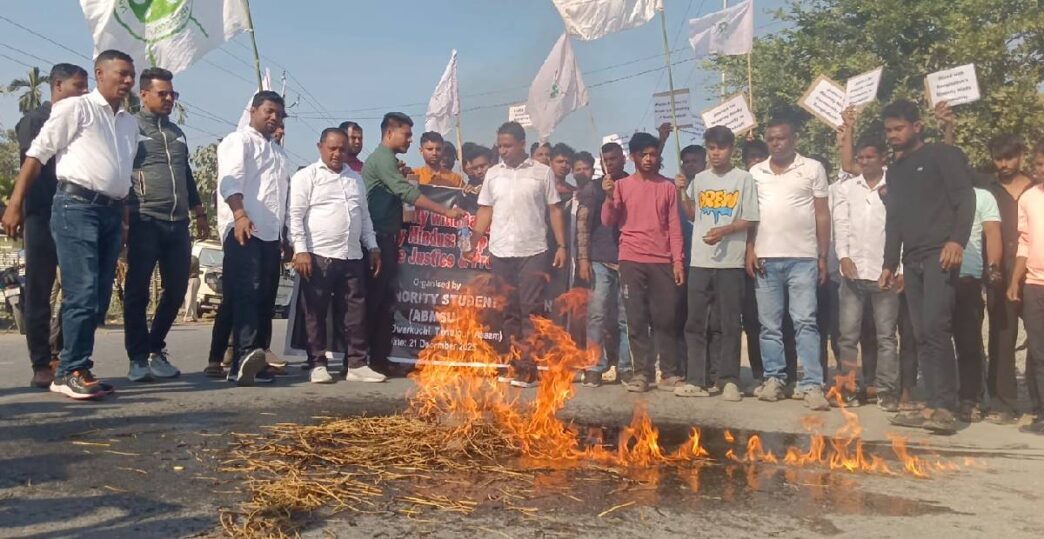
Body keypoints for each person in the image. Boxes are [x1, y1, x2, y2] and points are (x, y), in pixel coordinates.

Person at [2, 50, 137, 399]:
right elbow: (37, 155)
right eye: (121, 74)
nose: (127, 81)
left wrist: (122, 222)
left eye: (130, 76)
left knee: (99, 296)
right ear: (99, 74)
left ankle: (78, 364)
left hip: (110, 212)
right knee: (81, 290)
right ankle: (69, 369)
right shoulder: (75, 108)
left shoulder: (128, 123)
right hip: (76, 206)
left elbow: (121, 175)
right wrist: (15, 204)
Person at [880, 100, 976, 433]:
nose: (892, 135)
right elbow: (894, 219)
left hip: (940, 254)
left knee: (936, 328)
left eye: (899, 128)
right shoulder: (894, 169)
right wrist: (889, 263)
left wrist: (956, 242)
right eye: (889, 130)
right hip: (912, 258)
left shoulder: (941, 155)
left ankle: (945, 407)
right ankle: (932, 403)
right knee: (921, 334)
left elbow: (966, 198)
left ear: (917, 127)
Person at [122, 67, 209, 383]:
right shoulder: (130, 127)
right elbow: (120, 172)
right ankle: (137, 358)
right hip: (145, 219)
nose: (170, 98)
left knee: (175, 289)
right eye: (164, 94)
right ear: (144, 95)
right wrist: (125, 217)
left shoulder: (176, 133)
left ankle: (155, 348)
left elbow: (186, 174)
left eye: (173, 94)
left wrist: (199, 212)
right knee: (137, 291)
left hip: (178, 222)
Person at [363, 113, 465, 375]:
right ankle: (361, 361)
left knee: (386, 302)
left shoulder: (392, 162)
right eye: (406, 135)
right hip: (375, 238)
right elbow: (406, 193)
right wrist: (445, 211)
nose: (409, 139)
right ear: (389, 133)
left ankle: (378, 359)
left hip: (388, 238)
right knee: (373, 302)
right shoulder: (383, 159)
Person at [470, 121, 566, 387]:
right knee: (509, 311)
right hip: (501, 251)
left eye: (508, 146)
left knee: (530, 310)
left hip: (533, 250)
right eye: (500, 145)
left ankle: (528, 369)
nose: (503, 150)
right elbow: (485, 211)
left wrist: (562, 245)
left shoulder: (541, 173)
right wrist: (473, 241)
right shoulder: (492, 174)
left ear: (523, 144)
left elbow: (555, 210)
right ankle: (513, 364)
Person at [747, 118, 832, 410]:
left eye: (782, 138)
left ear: (793, 138)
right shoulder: (755, 172)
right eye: (771, 139)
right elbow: (751, 215)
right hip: (766, 258)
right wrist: (750, 249)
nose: (776, 143)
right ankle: (774, 378)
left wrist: (823, 255)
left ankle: (812, 384)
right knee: (769, 325)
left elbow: (822, 214)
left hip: (803, 259)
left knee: (805, 322)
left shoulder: (812, 168)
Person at [13, 63, 88, 389]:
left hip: (75, 214)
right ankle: (41, 362)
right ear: (57, 85)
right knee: (40, 290)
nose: (84, 93)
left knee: (78, 289)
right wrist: (16, 206)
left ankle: (64, 355)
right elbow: (34, 165)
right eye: (77, 86)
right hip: (42, 214)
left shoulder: (82, 121)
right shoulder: (34, 121)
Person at [289, 128, 384, 384]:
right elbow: (295, 217)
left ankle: (356, 364)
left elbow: (364, 218)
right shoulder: (306, 177)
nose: (337, 153)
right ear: (320, 147)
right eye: (332, 148)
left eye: (342, 149)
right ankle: (317, 364)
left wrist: (373, 247)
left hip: (352, 255)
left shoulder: (355, 179)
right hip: (318, 256)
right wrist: (301, 250)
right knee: (315, 312)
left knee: (356, 312)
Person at [676, 126, 758, 401]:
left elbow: (749, 219)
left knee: (729, 323)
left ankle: (729, 379)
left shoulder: (743, 179)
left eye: (721, 148)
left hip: (731, 262)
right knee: (696, 321)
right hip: (700, 260)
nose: (716, 153)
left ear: (732, 148)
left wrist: (724, 231)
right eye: (711, 148)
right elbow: (692, 214)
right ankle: (697, 380)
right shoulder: (699, 179)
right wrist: (682, 192)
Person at [216, 90, 292, 386]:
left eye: (279, 114)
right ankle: (241, 360)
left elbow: (281, 198)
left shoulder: (278, 152)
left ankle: (256, 360)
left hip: (271, 237)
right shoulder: (239, 141)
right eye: (269, 111)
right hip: (245, 230)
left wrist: (285, 236)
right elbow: (231, 180)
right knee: (247, 295)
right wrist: (239, 215)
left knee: (265, 298)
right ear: (253, 111)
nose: (274, 118)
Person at [602, 132, 685, 393]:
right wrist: (608, 196)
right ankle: (641, 374)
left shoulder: (668, 187)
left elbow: (674, 227)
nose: (649, 159)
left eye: (653, 154)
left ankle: (669, 372)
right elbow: (609, 220)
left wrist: (678, 262)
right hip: (631, 259)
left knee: (665, 318)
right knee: (636, 318)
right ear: (633, 157)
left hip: (662, 260)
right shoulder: (622, 186)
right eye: (643, 155)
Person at [833, 139, 901, 412]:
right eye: (860, 158)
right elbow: (841, 224)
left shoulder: (895, 186)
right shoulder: (847, 188)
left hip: (885, 272)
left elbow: (901, 228)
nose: (864, 162)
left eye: (870, 156)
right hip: (853, 274)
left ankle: (886, 390)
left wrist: (900, 269)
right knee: (847, 336)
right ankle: (848, 387)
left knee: (886, 337)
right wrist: (844, 257)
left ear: (882, 157)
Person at [984, 134, 1036, 424]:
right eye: (999, 158)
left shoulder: (1036, 187)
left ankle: (1037, 401)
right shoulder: (986, 188)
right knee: (1002, 337)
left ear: (1021, 155)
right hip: (998, 274)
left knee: (1038, 338)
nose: (1004, 164)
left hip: (1035, 274)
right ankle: (1003, 402)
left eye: (1010, 157)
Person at [576, 142, 631, 387]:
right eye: (606, 160)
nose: (610, 163)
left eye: (614, 159)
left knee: (626, 318)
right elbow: (583, 225)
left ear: (624, 159)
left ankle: (626, 368)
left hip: (629, 260)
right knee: (596, 315)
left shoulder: (633, 183)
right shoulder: (592, 188)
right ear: (601, 162)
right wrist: (584, 259)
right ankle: (596, 366)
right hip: (599, 258)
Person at [953, 182, 1002, 421]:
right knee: (933, 340)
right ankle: (940, 397)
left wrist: (992, 268)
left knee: (969, 342)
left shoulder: (982, 197)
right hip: (934, 277)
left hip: (968, 278)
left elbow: (992, 233)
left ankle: (970, 398)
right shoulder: (932, 194)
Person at [1011, 142, 1044, 434]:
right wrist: (1014, 281)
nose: (1039, 170)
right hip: (1034, 285)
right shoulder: (1029, 198)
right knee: (1037, 350)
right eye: (1037, 164)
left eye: (1043, 164)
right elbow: (1024, 242)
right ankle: (1042, 413)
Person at [183, 255, 200, 323]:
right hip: (195, 279)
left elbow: (188, 268)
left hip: (192, 279)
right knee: (193, 299)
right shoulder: (194, 258)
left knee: (189, 298)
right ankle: (194, 316)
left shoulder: (191, 259)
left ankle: (188, 316)